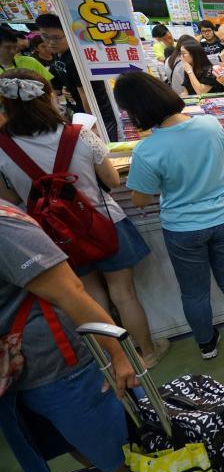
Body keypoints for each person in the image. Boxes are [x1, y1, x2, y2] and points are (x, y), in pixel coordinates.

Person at [0, 70, 167, 367]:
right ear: (49, 97)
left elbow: (10, 200)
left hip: (52, 234)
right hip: (103, 224)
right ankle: (148, 352)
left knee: (90, 296)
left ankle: (116, 360)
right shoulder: (78, 135)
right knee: (124, 293)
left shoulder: (3, 148)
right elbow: (112, 179)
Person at [116, 72, 224, 359]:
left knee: (193, 291)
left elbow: (141, 198)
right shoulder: (210, 125)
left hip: (182, 227)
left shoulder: (147, 149)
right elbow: (221, 157)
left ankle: (206, 344)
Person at [0, 199, 139, 472]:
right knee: (79, 446)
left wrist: (118, 355)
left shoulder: (4, 228)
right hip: (20, 375)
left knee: (119, 457)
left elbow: (70, 292)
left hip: (60, 368)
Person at [35, 14, 118, 141]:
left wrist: (92, 124)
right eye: (45, 37)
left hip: (98, 114)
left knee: (105, 148)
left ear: (69, 34)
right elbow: (56, 86)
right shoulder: (58, 55)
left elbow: (85, 94)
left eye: (56, 38)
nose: (50, 43)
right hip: (79, 112)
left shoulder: (76, 59)